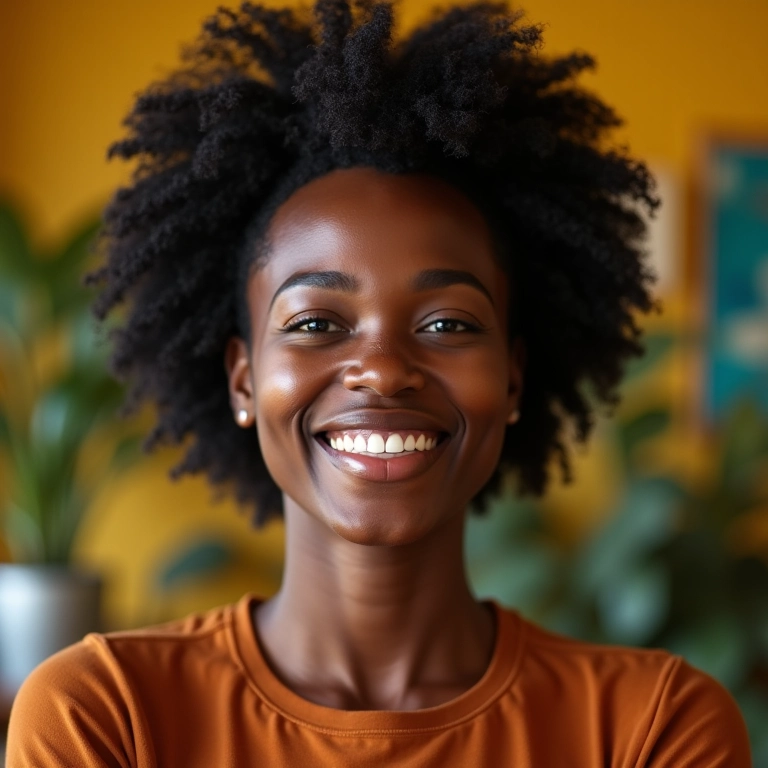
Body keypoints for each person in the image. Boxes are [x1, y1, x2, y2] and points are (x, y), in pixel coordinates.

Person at [7, 1, 752, 765]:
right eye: (315, 324)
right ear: (242, 379)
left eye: (446, 324)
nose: (385, 367)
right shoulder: (104, 714)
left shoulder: (653, 728)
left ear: (514, 377)